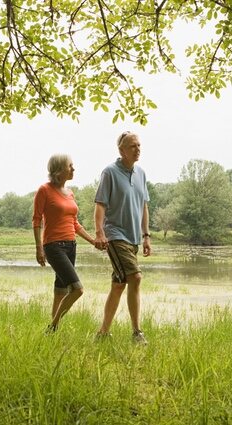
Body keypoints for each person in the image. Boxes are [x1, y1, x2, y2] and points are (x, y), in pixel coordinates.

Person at [93, 131, 152, 344]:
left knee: (119, 285)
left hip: (134, 237)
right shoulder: (109, 172)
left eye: (139, 145)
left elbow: (143, 206)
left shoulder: (141, 174)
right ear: (121, 150)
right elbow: (100, 205)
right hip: (115, 235)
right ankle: (137, 333)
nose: (138, 149)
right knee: (135, 277)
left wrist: (146, 236)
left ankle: (102, 334)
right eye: (132, 146)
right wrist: (100, 233)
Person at [33, 154, 98, 332]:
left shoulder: (70, 193)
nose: (74, 169)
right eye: (70, 166)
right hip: (53, 246)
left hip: (71, 245)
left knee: (60, 290)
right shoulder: (44, 190)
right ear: (59, 170)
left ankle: (52, 333)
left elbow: (75, 223)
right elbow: (37, 221)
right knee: (77, 289)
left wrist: (93, 240)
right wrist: (39, 249)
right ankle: (52, 326)